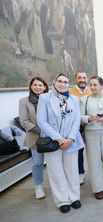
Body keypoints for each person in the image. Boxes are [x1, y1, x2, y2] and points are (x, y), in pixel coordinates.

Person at [37, 73, 84, 213]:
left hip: (71, 140)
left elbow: (77, 120)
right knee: (55, 171)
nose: (62, 84)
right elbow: (41, 121)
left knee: (72, 170)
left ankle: (74, 197)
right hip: (53, 141)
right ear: (54, 82)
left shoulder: (74, 99)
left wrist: (70, 138)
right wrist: (59, 138)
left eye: (65, 82)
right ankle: (62, 200)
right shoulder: (44, 98)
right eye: (60, 81)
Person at [80, 76, 103, 200]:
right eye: (90, 85)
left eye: (95, 85)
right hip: (91, 132)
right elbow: (80, 116)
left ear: (101, 86)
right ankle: (97, 189)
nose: (92, 87)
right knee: (93, 161)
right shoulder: (84, 99)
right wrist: (88, 118)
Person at [19, 77, 49, 199]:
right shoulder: (23, 101)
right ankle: (38, 187)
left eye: (40, 85)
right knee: (37, 163)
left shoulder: (50, 99)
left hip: (52, 136)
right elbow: (24, 122)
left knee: (55, 163)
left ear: (45, 87)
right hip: (35, 137)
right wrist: (42, 131)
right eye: (35, 85)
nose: (38, 87)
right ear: (31, 86)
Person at [69, 71, 92, 185]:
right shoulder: (69, 92)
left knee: (93, 150)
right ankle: (80, 173)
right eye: (79, 78)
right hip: (76, 127)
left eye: (84, 77)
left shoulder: (91, 91)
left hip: (90, 125)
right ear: (75, 79)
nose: (82, 80)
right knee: (79, 151)